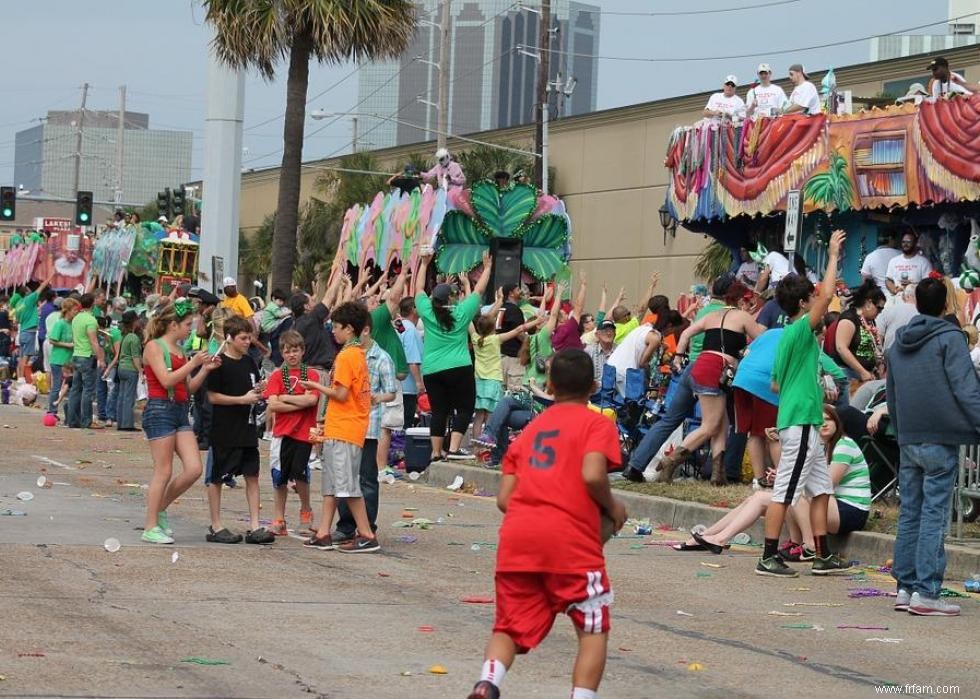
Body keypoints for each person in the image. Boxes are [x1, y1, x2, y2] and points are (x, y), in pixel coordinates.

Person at [466, 349, 627, 699]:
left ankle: (488, 682)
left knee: (508, 626)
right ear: (595, 386)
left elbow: (504, 499)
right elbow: (592, 473)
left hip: (518, 540)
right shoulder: (598, 424)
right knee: (592, 627)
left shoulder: (528, 431)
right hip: (572, 544)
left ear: (549, 387)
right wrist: (614, 508)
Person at [758, 229, 852, 578]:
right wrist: (830, 256)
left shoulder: (792, 338)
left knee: (821, 489)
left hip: (804, 418)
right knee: (785, 490)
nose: (816, 300)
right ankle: (768, 555)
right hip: (799, 422)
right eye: (810, 298)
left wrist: (814, 387)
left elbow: (775, 383)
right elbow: (827, 296)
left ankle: (822, 554)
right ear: (802, 304)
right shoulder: (798, 331)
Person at [886, 277, 980, 616]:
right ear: (945, 306)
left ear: (915, 304)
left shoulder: (897, 345)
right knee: (933, 514)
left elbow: (892, 395)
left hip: (909, 436)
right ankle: (927, 592)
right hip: (940, 436)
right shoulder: (949, 338)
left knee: (910, 511)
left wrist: (901, 431)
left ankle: (905, 588)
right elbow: (965, 387)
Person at [676, 405, 870, 557]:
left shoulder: (844, 445)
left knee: (794, 490)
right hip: (830, 506)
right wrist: (782, 474)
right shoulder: (819, 445)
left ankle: (810, 546)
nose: (825, 424)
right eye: (821, 421)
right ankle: (711, 536)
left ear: (838, 423)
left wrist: (789, 476)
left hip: (850, 511)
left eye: (830, 420)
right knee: (758, 497)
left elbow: (826, 484)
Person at [622, 275, 732, 482]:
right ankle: (675, 462)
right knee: (714, 422)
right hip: (710, 371)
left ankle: (635, 465)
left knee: (669, 420)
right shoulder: (727, 314)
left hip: (691, 369)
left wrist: (680, 357)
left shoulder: (702, 313)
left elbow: (685, 335)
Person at [660, 280, 765, 485]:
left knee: (721, 423)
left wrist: (679, 356)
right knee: (710, 425)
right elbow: (762, 338)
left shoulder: (710, 316)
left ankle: (718, 474)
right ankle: (670, 461)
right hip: (717, 370)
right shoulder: (742, 316)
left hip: (703, 366)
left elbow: (686, 334)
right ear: (740, 300)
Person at [141, 300, 222, 544]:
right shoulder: (154, 347)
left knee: (194, 468)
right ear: (173, 325)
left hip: (179, 410)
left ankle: (159, 510)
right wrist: (193, 363)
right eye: (188, 325)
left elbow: (188, 389)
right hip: (159, 410)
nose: (191, 329)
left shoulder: (180, 351)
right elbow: (165, 381)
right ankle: (150, 526)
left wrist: (205, 369)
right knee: (163, 471)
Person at [302, 302, 379, 553]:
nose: (333, 331)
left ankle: (367, 534)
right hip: (341, 427)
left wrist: (315, 386)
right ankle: (324, 532)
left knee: (347, 485)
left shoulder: (347, 356)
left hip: (345, 429)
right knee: (333, 485)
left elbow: (341, 394)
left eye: (336, 327)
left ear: (349, 328)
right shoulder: (355, 354)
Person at [413, 248, 492, 461]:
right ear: (450, 298)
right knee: (464, 408)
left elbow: (419, 288)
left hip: (432, 369)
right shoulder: (461, 312)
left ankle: (436, 452)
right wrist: (487, 269)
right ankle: (455, 449)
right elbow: (479, 291)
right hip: (459, 367)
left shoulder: (428, 313)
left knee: (439, 411)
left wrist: (424, 263)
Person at [203, 315, 273, 544]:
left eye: (250, 337)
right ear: (230, 338)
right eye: (243, 338)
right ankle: (216, 525)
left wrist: (259, 390)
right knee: (217, 478)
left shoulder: (250, 362)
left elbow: (252, 391)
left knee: (252, 475)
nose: (248, 342)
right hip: (224, 430)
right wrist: (241, 399)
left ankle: (255, 525)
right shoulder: (218, 363)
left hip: (248, 429)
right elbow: (212, 397)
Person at [333, 316, 398, 542]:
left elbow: (391, 391)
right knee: (345, 477)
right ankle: (345, 525)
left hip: (369, 426)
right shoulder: (347, 355)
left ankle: (367, 526)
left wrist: (375, 398)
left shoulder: (381, 358)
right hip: (346, 425)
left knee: (367, 478)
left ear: (366, 330)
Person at [263, 330, 320, 537]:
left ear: (302, 351)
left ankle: (306, 510)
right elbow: (273, 404)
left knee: (301, 474)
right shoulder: (278, 375)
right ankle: (279, 518)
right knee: (279, 476)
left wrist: (285, 398)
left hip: (304, 433)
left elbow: (311, 400)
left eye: (295, 351)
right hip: (282, 433)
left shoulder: (311, 375)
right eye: (287, 352)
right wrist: (296, 401)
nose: (291, 355)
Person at [471, 289, 545, 440]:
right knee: (492, 414)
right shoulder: (495, 339)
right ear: (493, 328)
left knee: (478, 416)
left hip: (478, 381)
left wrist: (498, 301)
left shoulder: (475, 338)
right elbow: (518, 329)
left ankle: (476, 446)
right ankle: (490, 441)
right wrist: (536, 322)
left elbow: (468, 321)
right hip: (493, 380)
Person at [731, 327, 783, 488]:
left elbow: (747, 351)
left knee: (754, 431)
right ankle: (784, 480)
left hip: (743, 378)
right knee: (773, 432)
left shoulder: (771, 332)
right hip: (764, 381)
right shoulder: (803, 337)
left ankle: (759, 479)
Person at [833, 279, 886, 383]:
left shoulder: (869, 321)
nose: (880, 312)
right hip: (850, 377)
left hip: (867, 376)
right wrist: (862, 371)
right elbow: (841, 348)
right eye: (879, 308)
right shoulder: (849, 319)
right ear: (869, 303)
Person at [66, 293, 106, 430]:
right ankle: (86, 421)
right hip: (87, 356)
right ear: (93, 304)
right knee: (88, 390)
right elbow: (94, 341)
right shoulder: (91, 320)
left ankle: (72, 420)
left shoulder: (76, 318)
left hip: (76, 354)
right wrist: (101, 358)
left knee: (75, 389)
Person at [13, 271, 56, 382]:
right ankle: (22, 378)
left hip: (22, 332)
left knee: (22, 357)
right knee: (26, 357)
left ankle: (19, 377)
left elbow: (17, 320)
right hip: (29, 332)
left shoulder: (18, 304)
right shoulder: (29, 299)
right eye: (29, 289)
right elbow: (41, 287)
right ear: (27, 292)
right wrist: (51, 275)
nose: (31, 290)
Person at [47, 298, 80, 419]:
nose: (76, 312)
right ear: (68, 310)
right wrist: (68, 345)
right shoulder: (60, 323)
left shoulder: (73, 324)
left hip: (69, 361)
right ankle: (52, 411)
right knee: (56, 387)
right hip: (58, 360)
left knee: (69, 387)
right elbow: (52, 340)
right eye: (74, 310)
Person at [396, 296, 424, 428]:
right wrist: (419, 383)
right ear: (413, 309)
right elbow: (412, 360)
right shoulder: (411, 330)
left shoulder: (400, 326)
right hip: (407, 388)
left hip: (398, 386)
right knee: (405, 424)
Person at [114, 310, 142, 432]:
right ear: (134, 322)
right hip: (130, 369)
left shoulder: (124, 336)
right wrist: (140, 370)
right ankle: (127, 424)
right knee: (129, 398)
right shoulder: (134, 338)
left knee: (122, 396)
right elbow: (135, 357)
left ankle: (120, 422)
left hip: (121, 368)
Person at [498, 283, 528, 392]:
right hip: (513, 359)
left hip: (501, 356)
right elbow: (519, 333)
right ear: (511, 293)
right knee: (515, 394)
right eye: (518, 289)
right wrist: (532, 343)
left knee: (501, 393)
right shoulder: (514, 310)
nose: (520, 291)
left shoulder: (501, 309)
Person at [885, 231, 932, 297]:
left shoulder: (924, 262)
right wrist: (894, 290)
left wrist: (913, 286)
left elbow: (928, 283)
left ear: (915, 243)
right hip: (897, 300)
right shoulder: (893, 261)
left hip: (916, 300)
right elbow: (888, 280)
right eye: (903, 242)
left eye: (909, 242)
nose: (905, 244)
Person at [877, 283, 917, 351]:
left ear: (905, 297)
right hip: (915, 356)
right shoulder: (924, 313)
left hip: (890, 355)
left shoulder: (888, 310)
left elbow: (878, 338)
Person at [860, 229, 900, 294]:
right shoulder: (901, 255)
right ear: (891, 239)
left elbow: (864, 281)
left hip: (880, 298)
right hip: (899, 295)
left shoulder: (870, 256)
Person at [584, 320, 618, 386]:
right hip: (595, 391)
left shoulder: (620, 350)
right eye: (605, 331)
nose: (608, 333)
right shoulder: (589, 351)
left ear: (615, 334)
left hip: (615, 390)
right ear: (597, 334)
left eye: (611, 330)